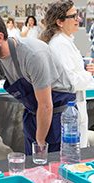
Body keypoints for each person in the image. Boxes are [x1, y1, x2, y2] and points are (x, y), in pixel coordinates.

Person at [0, 11, 76, 155]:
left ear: (0, 37)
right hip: (33, 113)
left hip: (60, 114)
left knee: (53, 166)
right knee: (33, 167)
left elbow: (45, 105)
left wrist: (40, 142)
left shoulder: (32, 55)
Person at [40, 0, 94, 148]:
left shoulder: (66, 42)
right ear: (60, 22)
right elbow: (71, 81)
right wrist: (88, 75)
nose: (79, 19)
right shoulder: (60, 45)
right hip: (69, 107)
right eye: (74, 16)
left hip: (75, 106)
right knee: (73, 153)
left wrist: (84, 72)